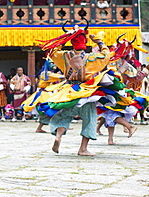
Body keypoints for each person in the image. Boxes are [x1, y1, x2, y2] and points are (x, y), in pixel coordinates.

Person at [35, 20, 140, 156]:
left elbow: (51, 51)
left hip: (69, 91)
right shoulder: (92, 57)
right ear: (84, 43)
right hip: (87, 92)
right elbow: (106, 55)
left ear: (72, 42)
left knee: (63, 116)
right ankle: (83, 149)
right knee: (90, 118)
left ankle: (58, 137)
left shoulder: (64, 56)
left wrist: (64, 39)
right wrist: (98, 42)